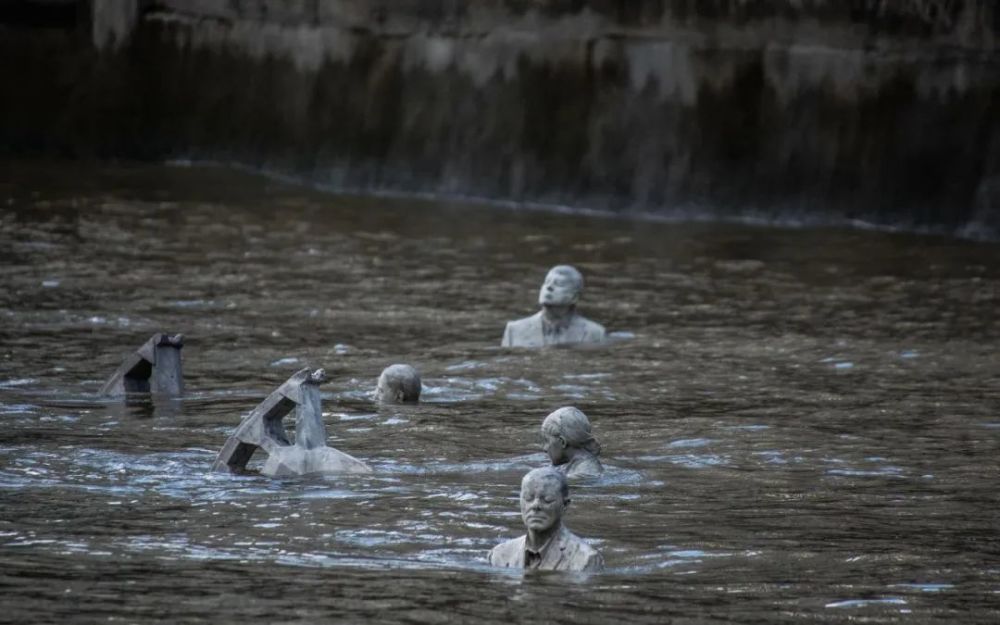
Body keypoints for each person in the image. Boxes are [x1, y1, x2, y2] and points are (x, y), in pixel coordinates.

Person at [487, 467, 603, 572]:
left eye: (547, 499)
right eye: (528, 498)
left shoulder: (586, 559)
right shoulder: (499, 555)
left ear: (565, 504)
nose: (535, 506)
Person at [501, 265, 605, 348]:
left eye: (558, 284)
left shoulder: (594, 333)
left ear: (574, 297)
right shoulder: (514, 330)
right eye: (547, 282)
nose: (549, 287)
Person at [541, 406, 603, 479]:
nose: (544, 448)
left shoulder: (585, 474)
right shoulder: (570, 466)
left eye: (547, 441)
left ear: (563, 442)